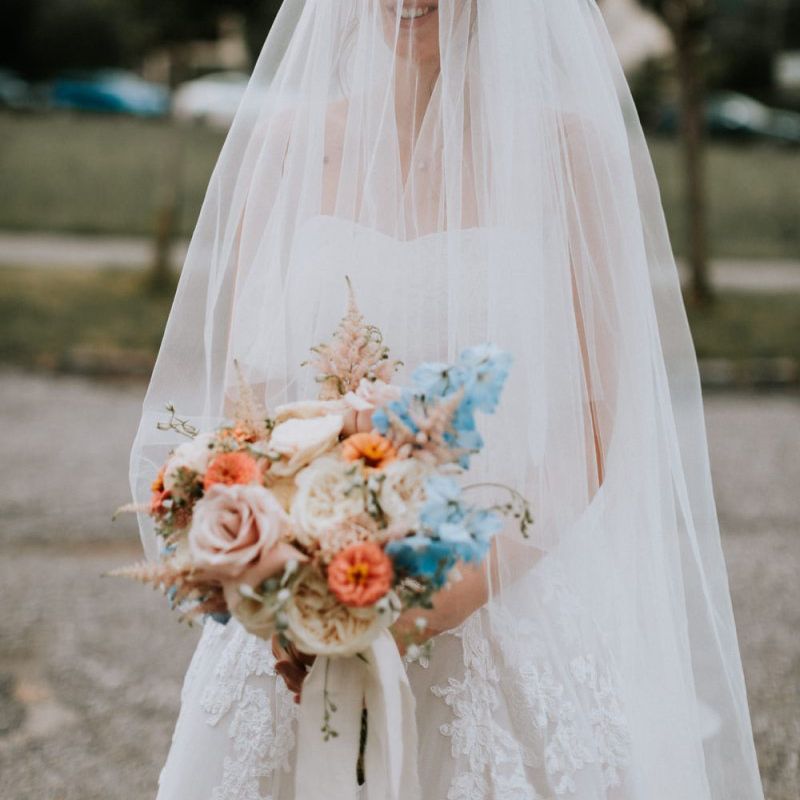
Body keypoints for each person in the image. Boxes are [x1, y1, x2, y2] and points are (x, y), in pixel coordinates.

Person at [129, 2, 765, 798]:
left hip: (503, 603)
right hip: (302, 611)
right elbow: (244, 404)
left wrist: (435, 602)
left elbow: (592, 430)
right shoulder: (287, 143)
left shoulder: (570, 156)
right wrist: (290, 588)